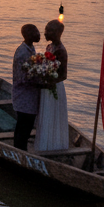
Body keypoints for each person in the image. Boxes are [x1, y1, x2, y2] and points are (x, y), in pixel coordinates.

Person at [35, 19, 70, 152]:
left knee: (52, 115)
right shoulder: (50, 47)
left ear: (57, 33)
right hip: (47, 86)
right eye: (46, 30)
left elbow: (63, 75)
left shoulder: (60, 50)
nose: (45, 33)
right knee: (46, 115)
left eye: (48, 30)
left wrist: (49, 82)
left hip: (54, 87)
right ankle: (44, 144)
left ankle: (53, 145)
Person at [12, 23, 41, 151]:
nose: (39, 34)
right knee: (24, 127)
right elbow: (21, 78)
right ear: (28, 35)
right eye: (36, 32)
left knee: (25, 126)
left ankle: (19, 149)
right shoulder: (22, 53)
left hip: (30, 96)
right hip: (24, 97)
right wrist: (41, 82)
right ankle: (19, 152)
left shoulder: (31, 48)